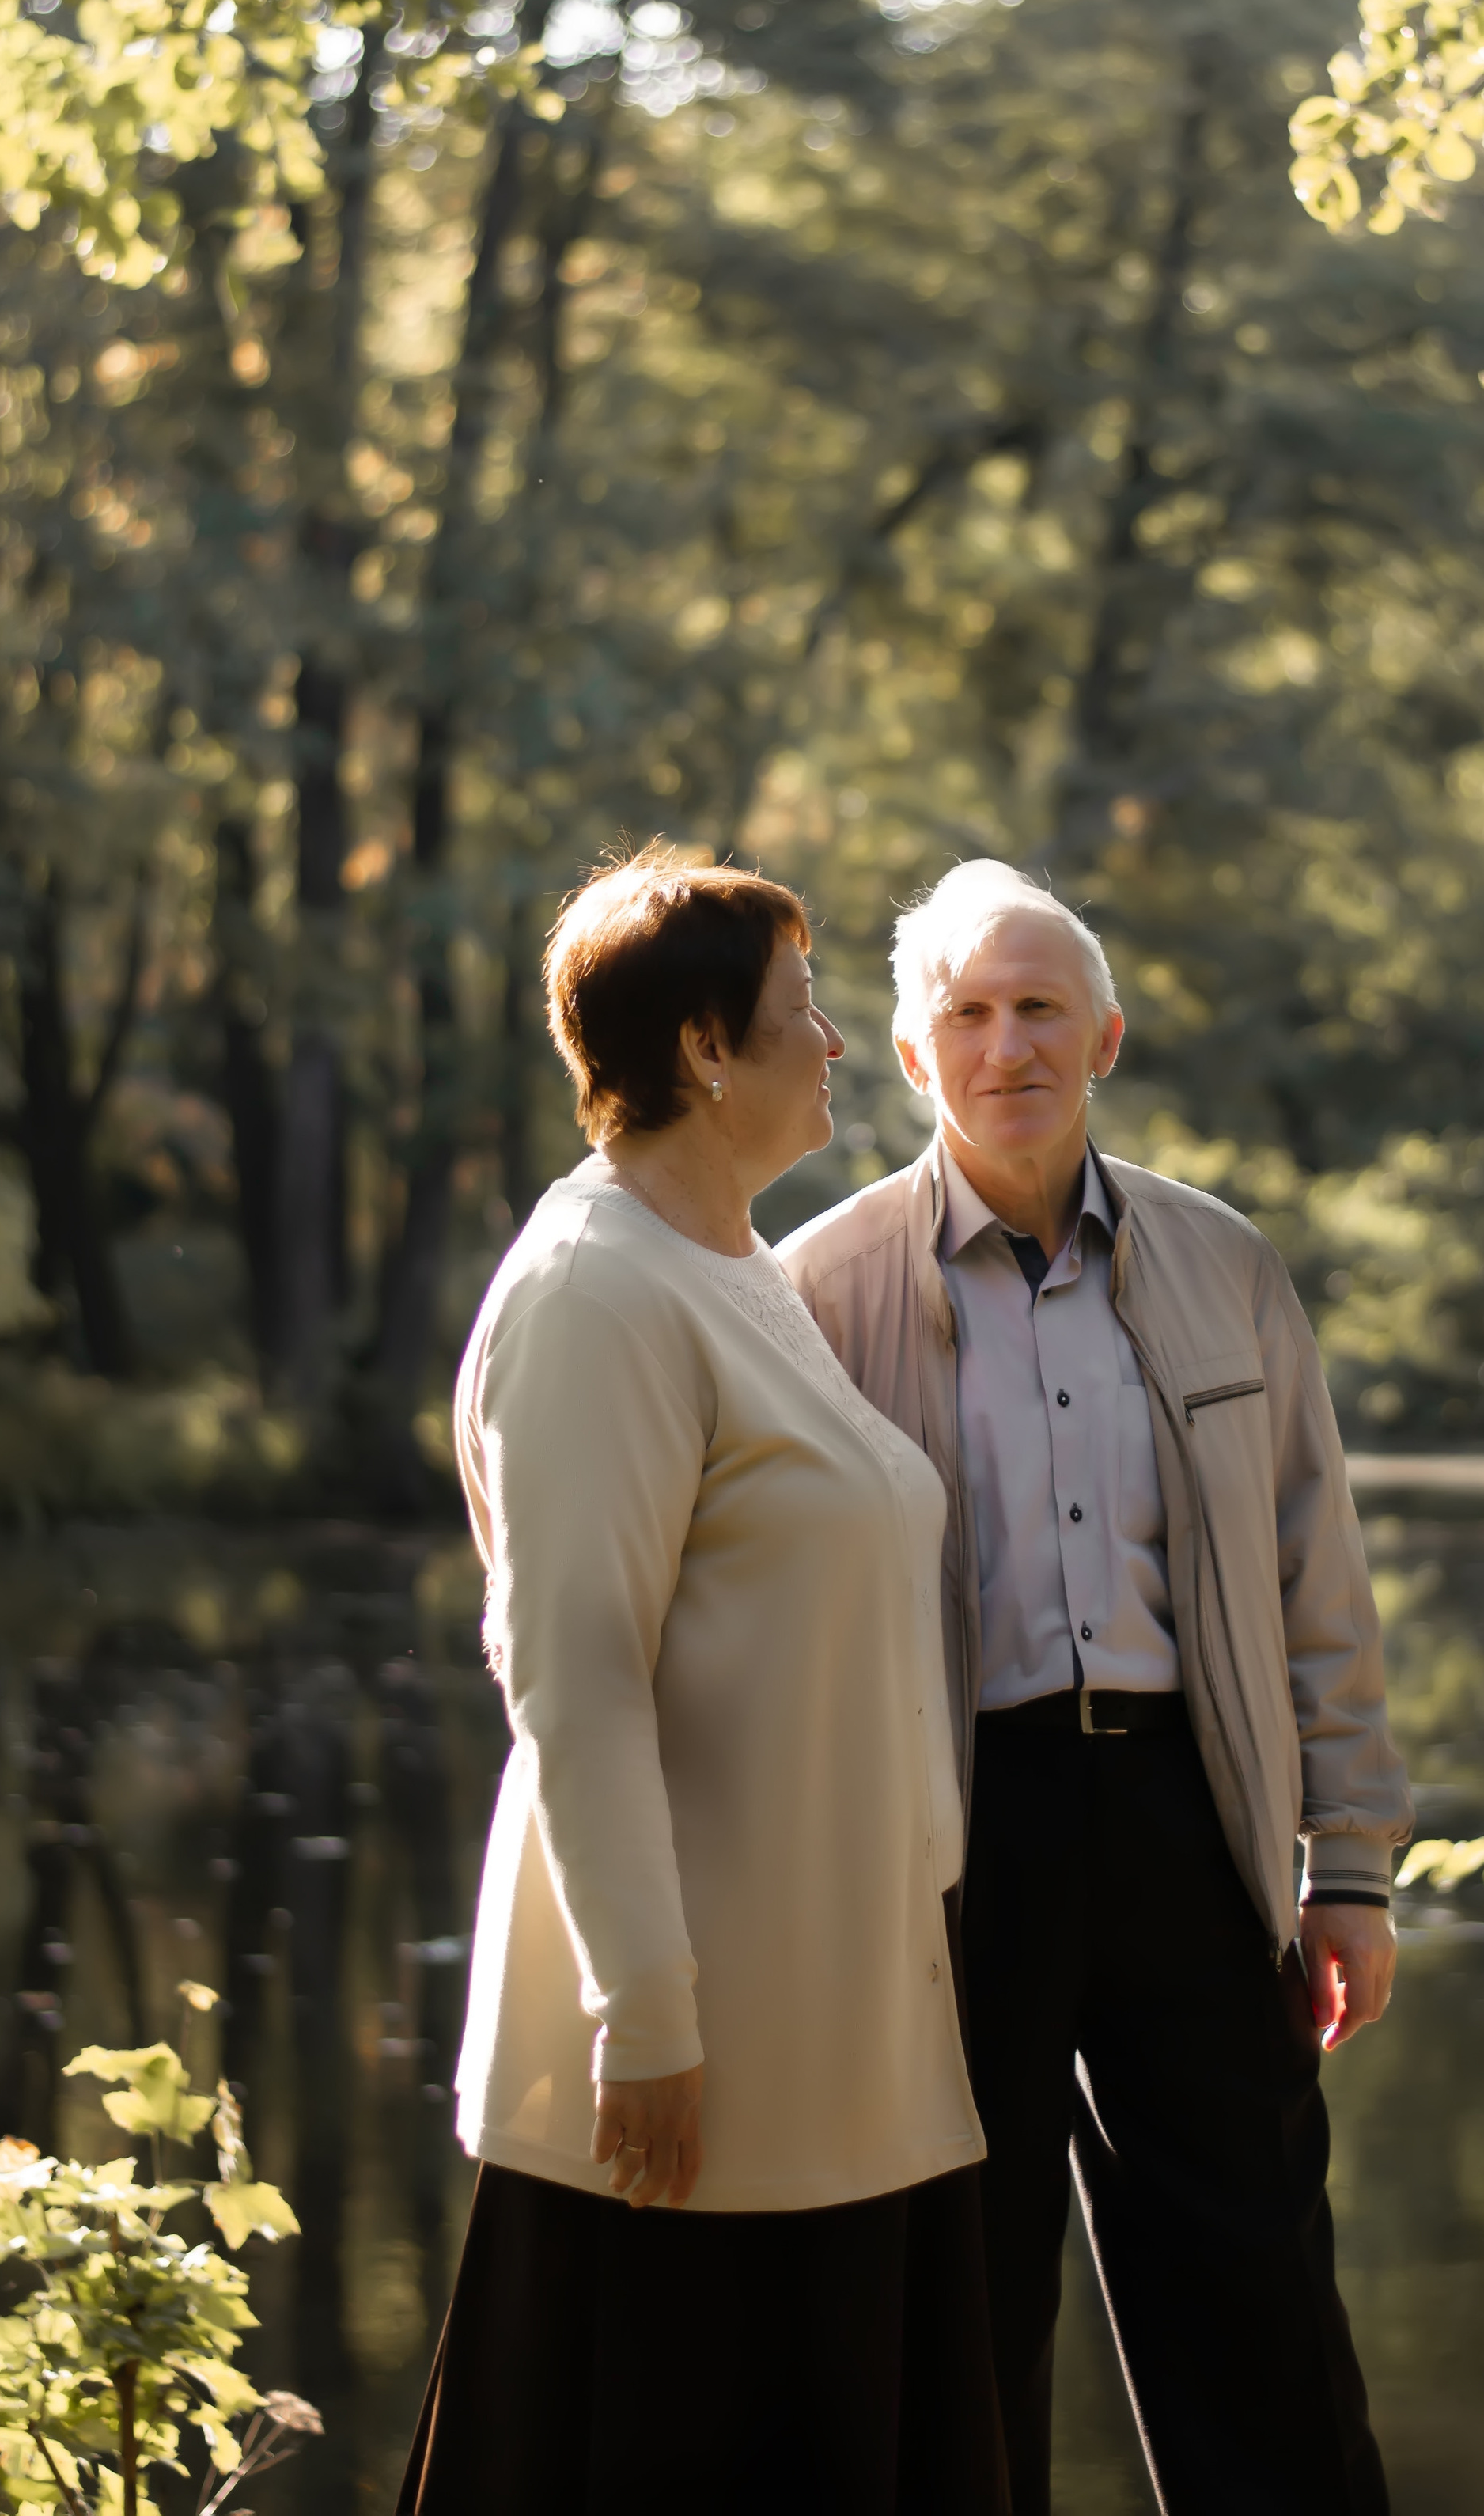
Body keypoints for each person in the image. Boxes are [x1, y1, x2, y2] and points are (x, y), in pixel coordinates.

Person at [779, 858, 1411, 2516]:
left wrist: (1343, 1867)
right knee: (957, 2304)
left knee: (1255, 2297)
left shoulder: (1225, 1269)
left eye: (1038, 1007)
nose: (1006, 1046)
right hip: (945, 1846)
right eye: (966, 1016)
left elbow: (1313, 1584)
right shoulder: (814, 1296)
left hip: (1184, 1819)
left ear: (1105, 1034)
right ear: (913, 1058)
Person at [399, 845, 1007, 2516]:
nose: (834, 1046)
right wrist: (644, 2016)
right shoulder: (594, 1289)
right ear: (699, 1054)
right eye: (801, 1015)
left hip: (845, 2033)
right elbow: (572, 1677)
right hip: (700, 2068)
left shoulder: (735, 1266)